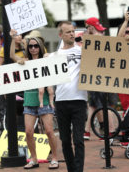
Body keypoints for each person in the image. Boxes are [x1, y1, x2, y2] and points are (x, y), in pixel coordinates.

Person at [9, 30, 59, 170]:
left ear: (41, 47)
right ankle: (34, 159)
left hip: (44, 100)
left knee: (49, 131)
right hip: (30, 100)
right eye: (30, 46)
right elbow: (12, 55)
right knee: (29, 132)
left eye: (36, 46)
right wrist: (13, 39)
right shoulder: (25, 61)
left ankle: (54, 158)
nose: (33, 49)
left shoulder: (46, 59)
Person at [53, 21, 88, 172]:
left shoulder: (82, 51)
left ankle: (78, 170)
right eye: (68, 32)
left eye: (73, 31)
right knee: (65, 140)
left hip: (79, 100)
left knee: (79, 140)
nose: (72, 34)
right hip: (61, 101)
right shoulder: (54, 55)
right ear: (61, 35)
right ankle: (71, 169)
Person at [83, 17, 118, 140]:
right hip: (103, 75)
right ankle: (89, 130)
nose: (102, 32)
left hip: (97, 76)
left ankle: (111, 130)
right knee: (95, 105)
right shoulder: (100, 38)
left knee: (101, 105)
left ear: (90, 27)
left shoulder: (90, 39)